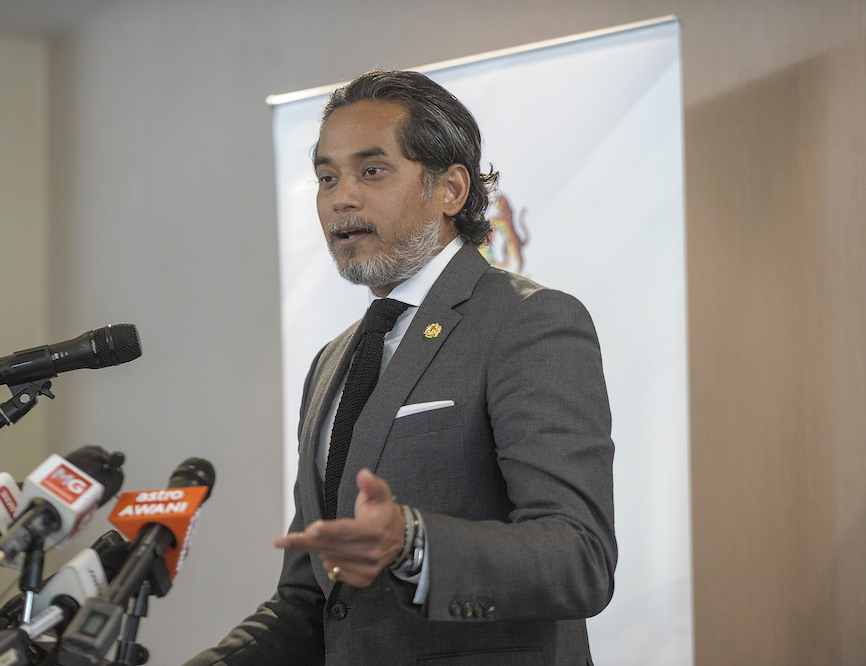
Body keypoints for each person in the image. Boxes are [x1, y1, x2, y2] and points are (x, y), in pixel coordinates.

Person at [185, 69, 616, 665]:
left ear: (451, 190)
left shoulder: (528, 322)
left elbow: (580, 558)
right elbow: (313, 599)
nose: (341, 198)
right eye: (326, 177)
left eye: (372, 170)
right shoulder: (332, 362)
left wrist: (413, 541)